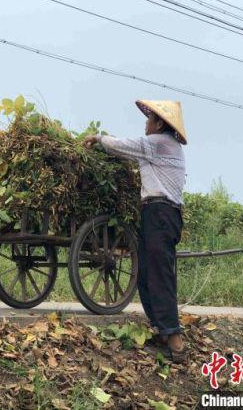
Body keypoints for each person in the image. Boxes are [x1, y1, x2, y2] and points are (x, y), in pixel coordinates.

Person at [83, 100, 187, 363]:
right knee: (144, 273)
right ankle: (162, 333)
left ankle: (175, 341)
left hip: (162, 213)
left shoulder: (159, 143)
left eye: (149, 118)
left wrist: (98, 138)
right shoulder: (158, 148)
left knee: (160, 274)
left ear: (160, 123)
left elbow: (125, 145)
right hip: (156, 213)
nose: (145, 123)